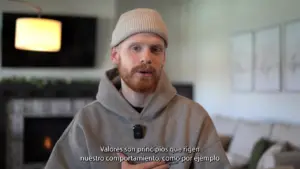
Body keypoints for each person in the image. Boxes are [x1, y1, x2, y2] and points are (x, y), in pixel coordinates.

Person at [44, 8, 230, 169]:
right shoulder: (87, 122)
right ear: (115, 55)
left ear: (163, 58)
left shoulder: (194, 118)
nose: (146, 58)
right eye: (136, 48)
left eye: (155, 49)